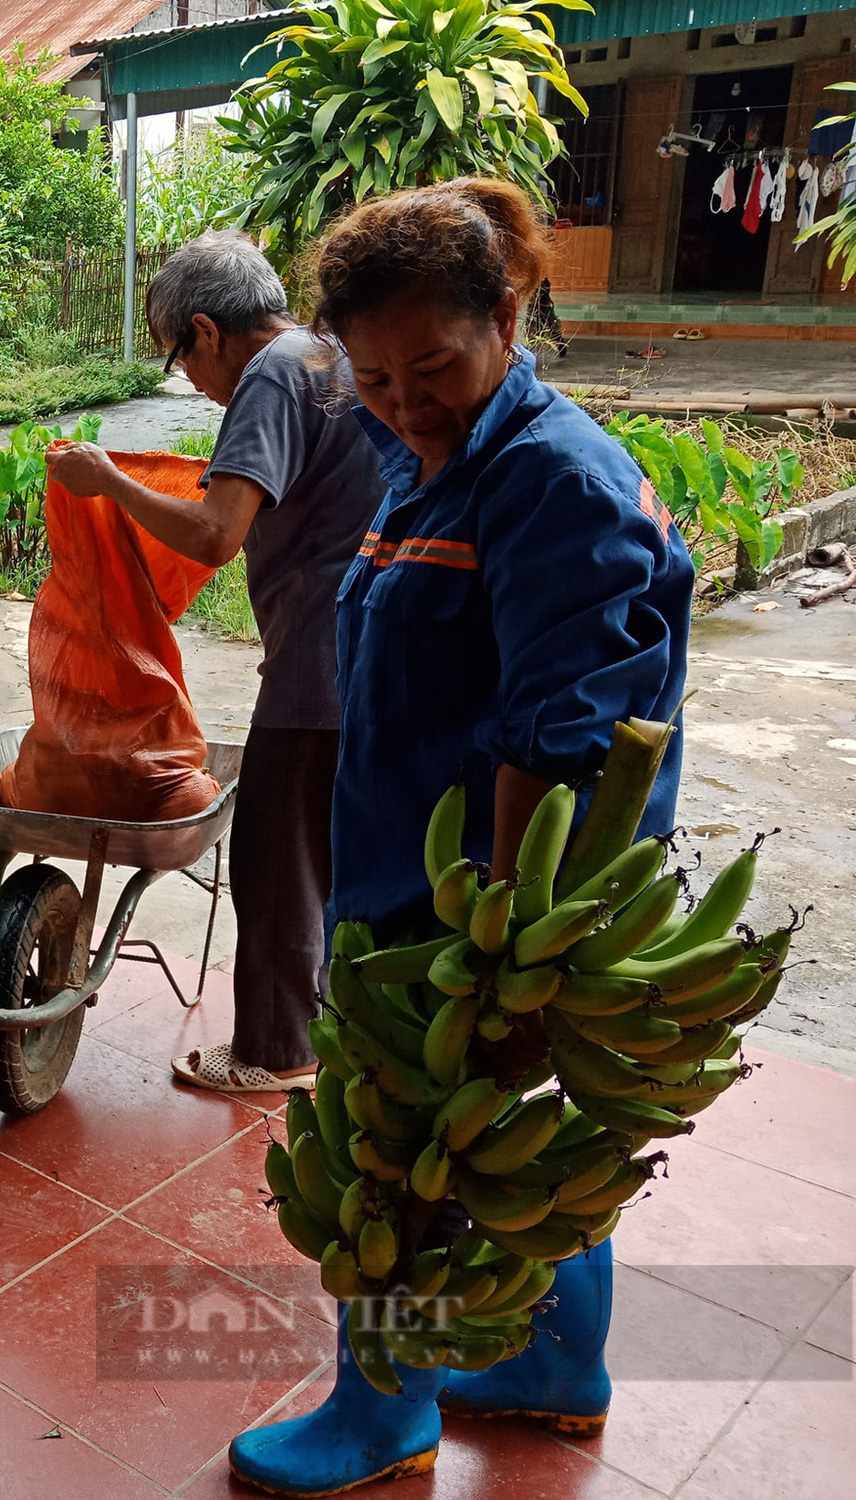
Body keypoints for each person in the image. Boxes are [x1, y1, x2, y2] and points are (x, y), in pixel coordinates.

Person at [226, 179, 694, 1498]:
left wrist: (498, 958)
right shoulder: (430, 458)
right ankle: (554, 1371)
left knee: (404, 1161)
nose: (404, 400)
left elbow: (561, 742)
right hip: (408, 867)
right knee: (522, 1145)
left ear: (510, 311)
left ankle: (381, 1418)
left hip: (480, 903)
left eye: (433, 365)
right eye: (373, 378)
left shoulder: (549, 478)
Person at [44, 231, 386, 1093]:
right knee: (329, 856)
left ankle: (276, 1056)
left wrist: (109, 483)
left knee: (274, 865)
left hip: (317, 658)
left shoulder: (270, 374)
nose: (191, 382)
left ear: (206, 330)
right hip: (367, 645)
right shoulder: (329, 355)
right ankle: (338, 1026)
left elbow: (214, 531)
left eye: (180, 359)